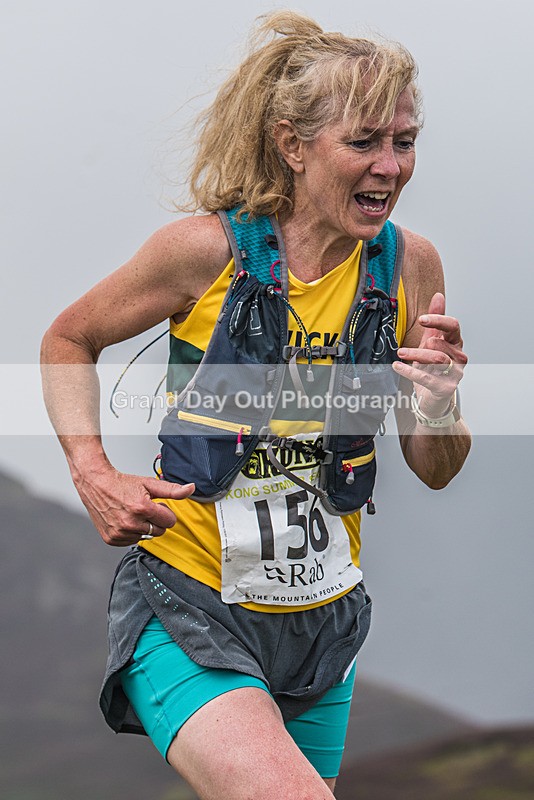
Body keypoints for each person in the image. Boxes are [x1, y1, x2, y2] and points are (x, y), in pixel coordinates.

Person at [41, 10, 470, 800]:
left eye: (404, 142)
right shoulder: (204, 253)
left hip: (322, 623)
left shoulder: (410, 264)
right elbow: (68, 338)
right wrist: (92, 469)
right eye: (364, 141)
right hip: (189, 605)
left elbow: (435, 465)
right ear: (292, 144)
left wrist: (438, 403)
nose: (391, 166)